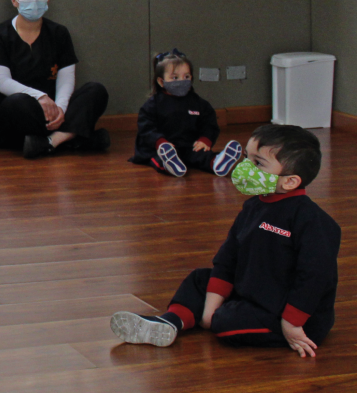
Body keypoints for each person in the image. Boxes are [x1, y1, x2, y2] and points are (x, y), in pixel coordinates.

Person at [111, 125, 339, 358]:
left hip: (290, 315)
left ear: (289, 182)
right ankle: (170, 322)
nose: (245, 167)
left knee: (228, 322)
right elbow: (228, 257)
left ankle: (214, 316)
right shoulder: (253, 207)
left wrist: (292, 323)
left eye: (258, 163)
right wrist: (211, 308)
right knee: (200, 279)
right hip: (251, 290)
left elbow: (314, 279)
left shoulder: (314, 222)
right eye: (246, 158)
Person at [0, 0, 109, 159]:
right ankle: (74, 138)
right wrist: (40, 97)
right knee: (18, 101)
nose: (34, 0)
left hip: (54, 110)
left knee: (96, 91)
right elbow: (2, 83)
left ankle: (50, 142)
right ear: (14, 0)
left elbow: (66, 79)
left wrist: (60, 109)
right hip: (16, 111)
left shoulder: (59, 33)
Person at [131, 48, 243, 178]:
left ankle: (217, 163)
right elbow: (146, 128)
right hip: (160, 147)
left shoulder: (199, 103)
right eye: (175, 77)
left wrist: (205, 140)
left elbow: (209, 124)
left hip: (189, 146)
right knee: (157, 158)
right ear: (161, 81)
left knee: (202, 155)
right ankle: (169, 165)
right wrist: (160, 142)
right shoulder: (153, 104)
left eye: (186, 77)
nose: (181, 81)